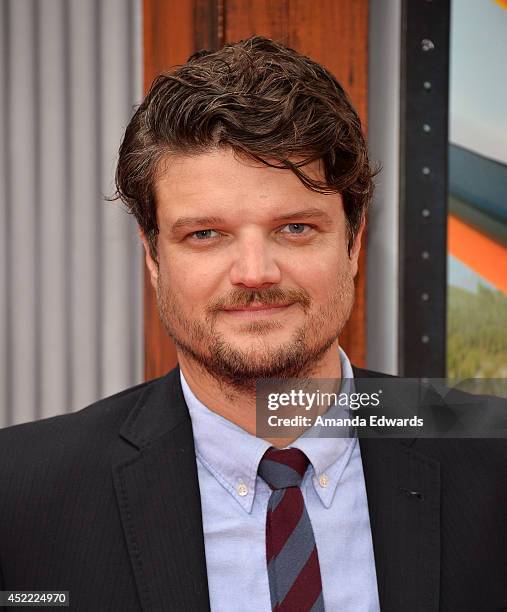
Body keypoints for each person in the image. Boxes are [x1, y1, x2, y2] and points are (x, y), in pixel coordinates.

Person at [0, 36, 505, 612]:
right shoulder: (21, 492)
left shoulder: (492, 453)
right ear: (152, 257)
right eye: (205, 234)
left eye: (295, 228)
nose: (254, 273)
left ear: (355, 242)